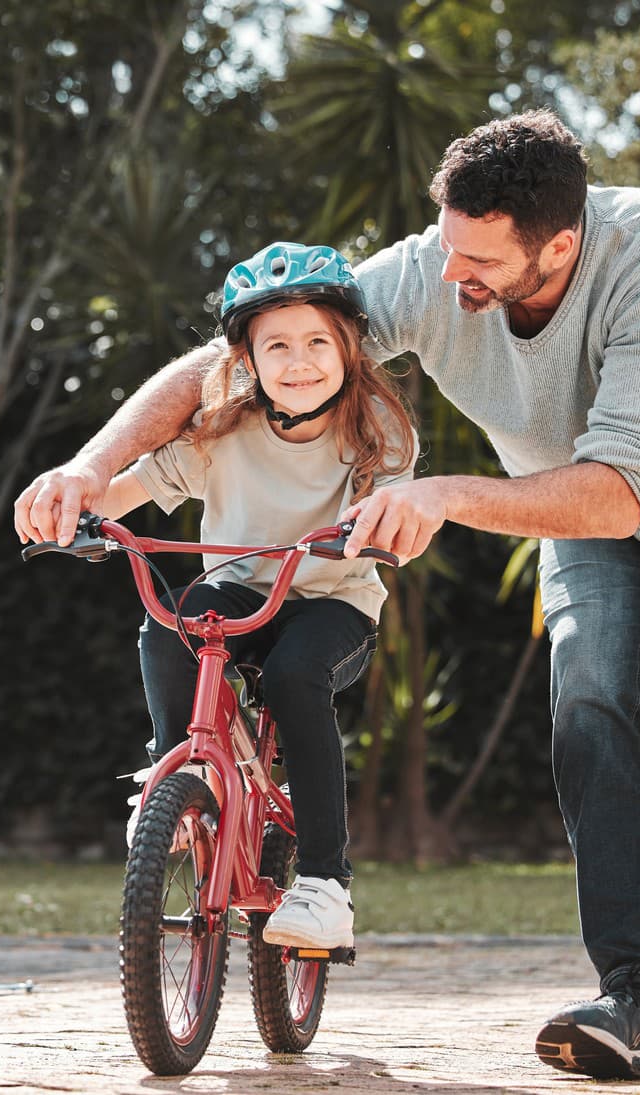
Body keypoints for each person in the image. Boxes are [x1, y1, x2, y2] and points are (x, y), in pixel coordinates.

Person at [14, 110, 640, 1081]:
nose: (449, 278)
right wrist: (89, 465)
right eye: (447, 249)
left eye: (478, 260)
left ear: (559, 245)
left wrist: (442, 493)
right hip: (579, 497)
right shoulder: (435, 266)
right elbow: (227, 366)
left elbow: (622, 491)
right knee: (586, 708)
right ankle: (637, 989)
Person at [84, 241, 417, 950]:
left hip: (333, 602)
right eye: (278, 346)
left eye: (317, 342)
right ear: (246, 360)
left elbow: (398, 513)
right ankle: (175, 768)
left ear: (350, 346)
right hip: (238, 590)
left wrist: (381, 529)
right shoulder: (221, 428)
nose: (299, 362)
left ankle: (326, 883)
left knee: (297, 673)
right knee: (172, 619)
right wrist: (79, 507)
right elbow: (135, 485)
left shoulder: (377, 430)